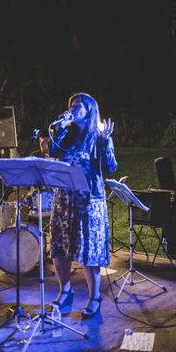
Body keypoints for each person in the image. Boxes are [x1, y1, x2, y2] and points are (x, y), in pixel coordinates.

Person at [41, 92, 117, 318]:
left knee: (88, 249)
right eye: (71, 105)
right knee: (58, 244)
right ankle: (65, 290)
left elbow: (110, 166)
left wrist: (105, 141)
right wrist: (60, 128)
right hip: (64, 198)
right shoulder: (68, 134)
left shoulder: (98, 135)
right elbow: (52, 151)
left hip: (88, 201)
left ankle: (95, 297)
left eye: (78, 106)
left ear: (90, 110)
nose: (73, 109)